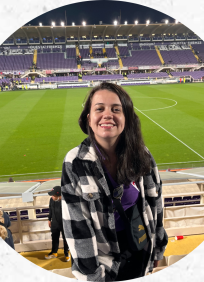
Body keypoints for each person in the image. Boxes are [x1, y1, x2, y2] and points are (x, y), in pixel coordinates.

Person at [61, 82, 168, 281]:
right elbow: (76, 228)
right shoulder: (75, 162)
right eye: (99, 109)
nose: (108, 115)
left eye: (116, 109)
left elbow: (156, 202)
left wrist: (158, 247)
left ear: (126, 118)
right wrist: (93, 275)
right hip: (104, 266)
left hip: (141, 250)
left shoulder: (142, 154)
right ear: (89, 119)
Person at [45, 186, 70, 261]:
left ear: (59, 196)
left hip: (64, 223)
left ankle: (66, 253)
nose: (52, 197)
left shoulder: (66, 201)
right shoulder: (51, 200)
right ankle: (54, 252)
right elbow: (50, 209)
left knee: (66, 239)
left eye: (53, 195)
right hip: (55, 223)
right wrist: (49, 219)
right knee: (54, 238)